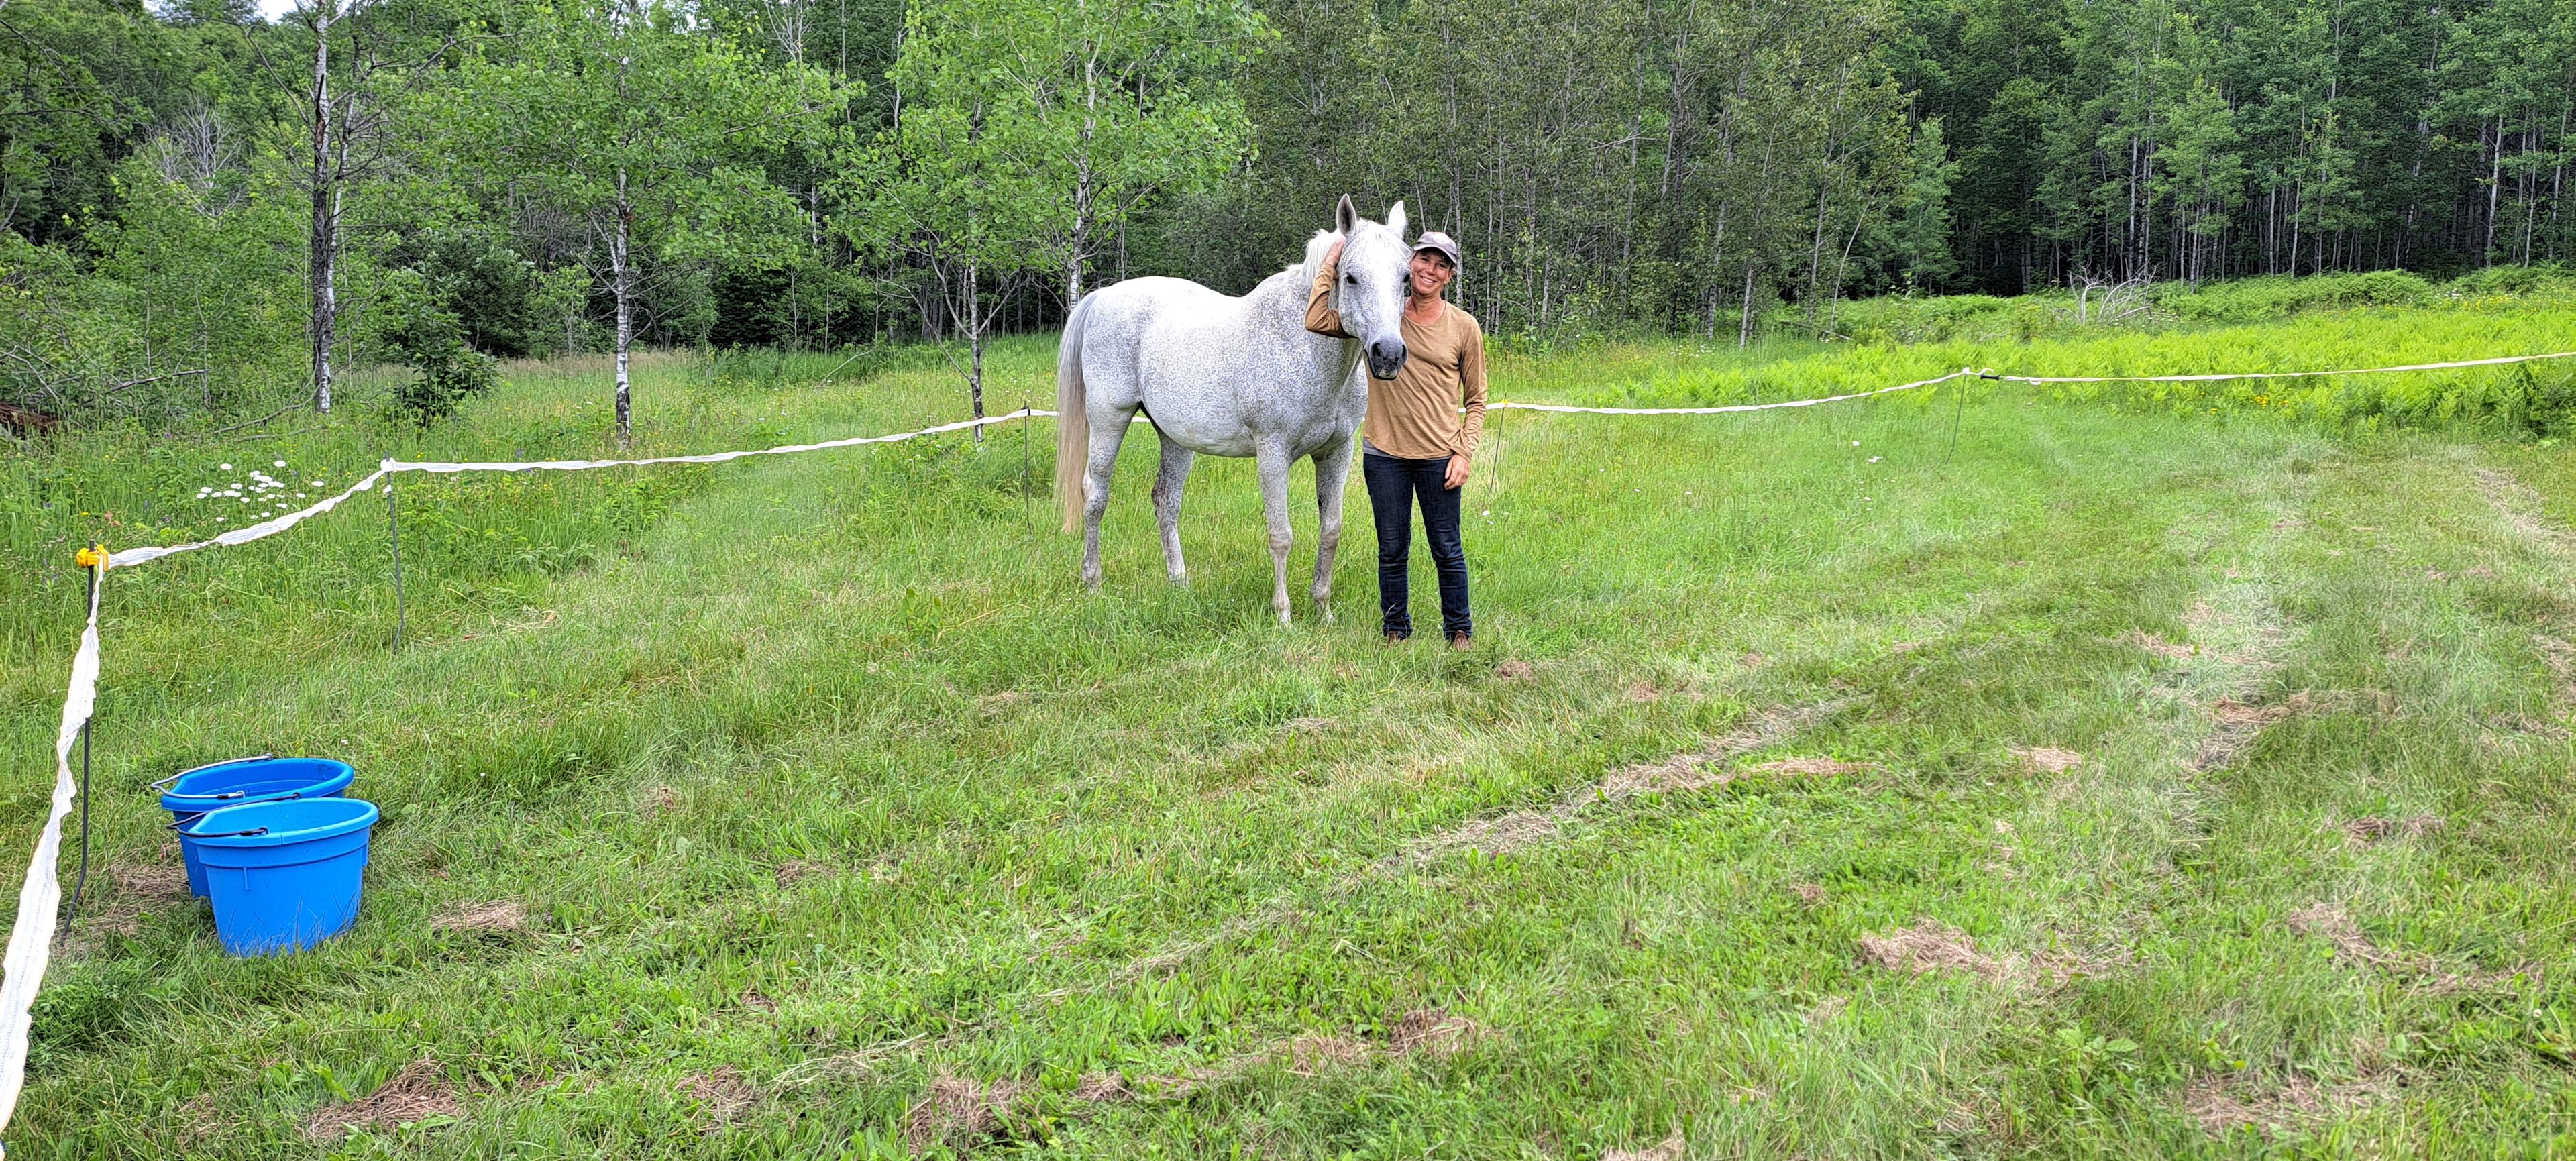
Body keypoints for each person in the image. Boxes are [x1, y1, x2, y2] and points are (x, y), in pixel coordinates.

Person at [1306, 227, 1487, 649]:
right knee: (1392, 548)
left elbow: (1477, 399)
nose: (1430, 269)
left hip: (1439, 456)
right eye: (1424, 260)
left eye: (1441, 265)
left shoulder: (1464, 327)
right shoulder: (1380, 317)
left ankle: (1459, 632)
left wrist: (1464, 451)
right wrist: (1332, 262)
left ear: (1449, 276)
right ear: (1410, 264)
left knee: (1447, 548)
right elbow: (1315, 318)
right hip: (1384, 455)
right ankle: (1396, 631)